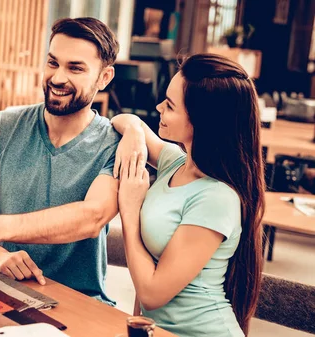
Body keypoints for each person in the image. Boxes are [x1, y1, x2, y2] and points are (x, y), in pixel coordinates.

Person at [0, 17, 121, 305]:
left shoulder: (116, 145)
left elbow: (91, 218)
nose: (57, 78)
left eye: (75, 68)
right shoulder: (3, 126)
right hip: (2, 289)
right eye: (53, 63)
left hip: (79, 302)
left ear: (104, 78)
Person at [111, 53, 265, 336]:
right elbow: (124, 119)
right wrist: (133, 130)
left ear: (202, 121)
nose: (158, 107)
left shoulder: (216, 198)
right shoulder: (176, 163)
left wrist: (130, 213)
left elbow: (152, 293)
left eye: (169, 106)